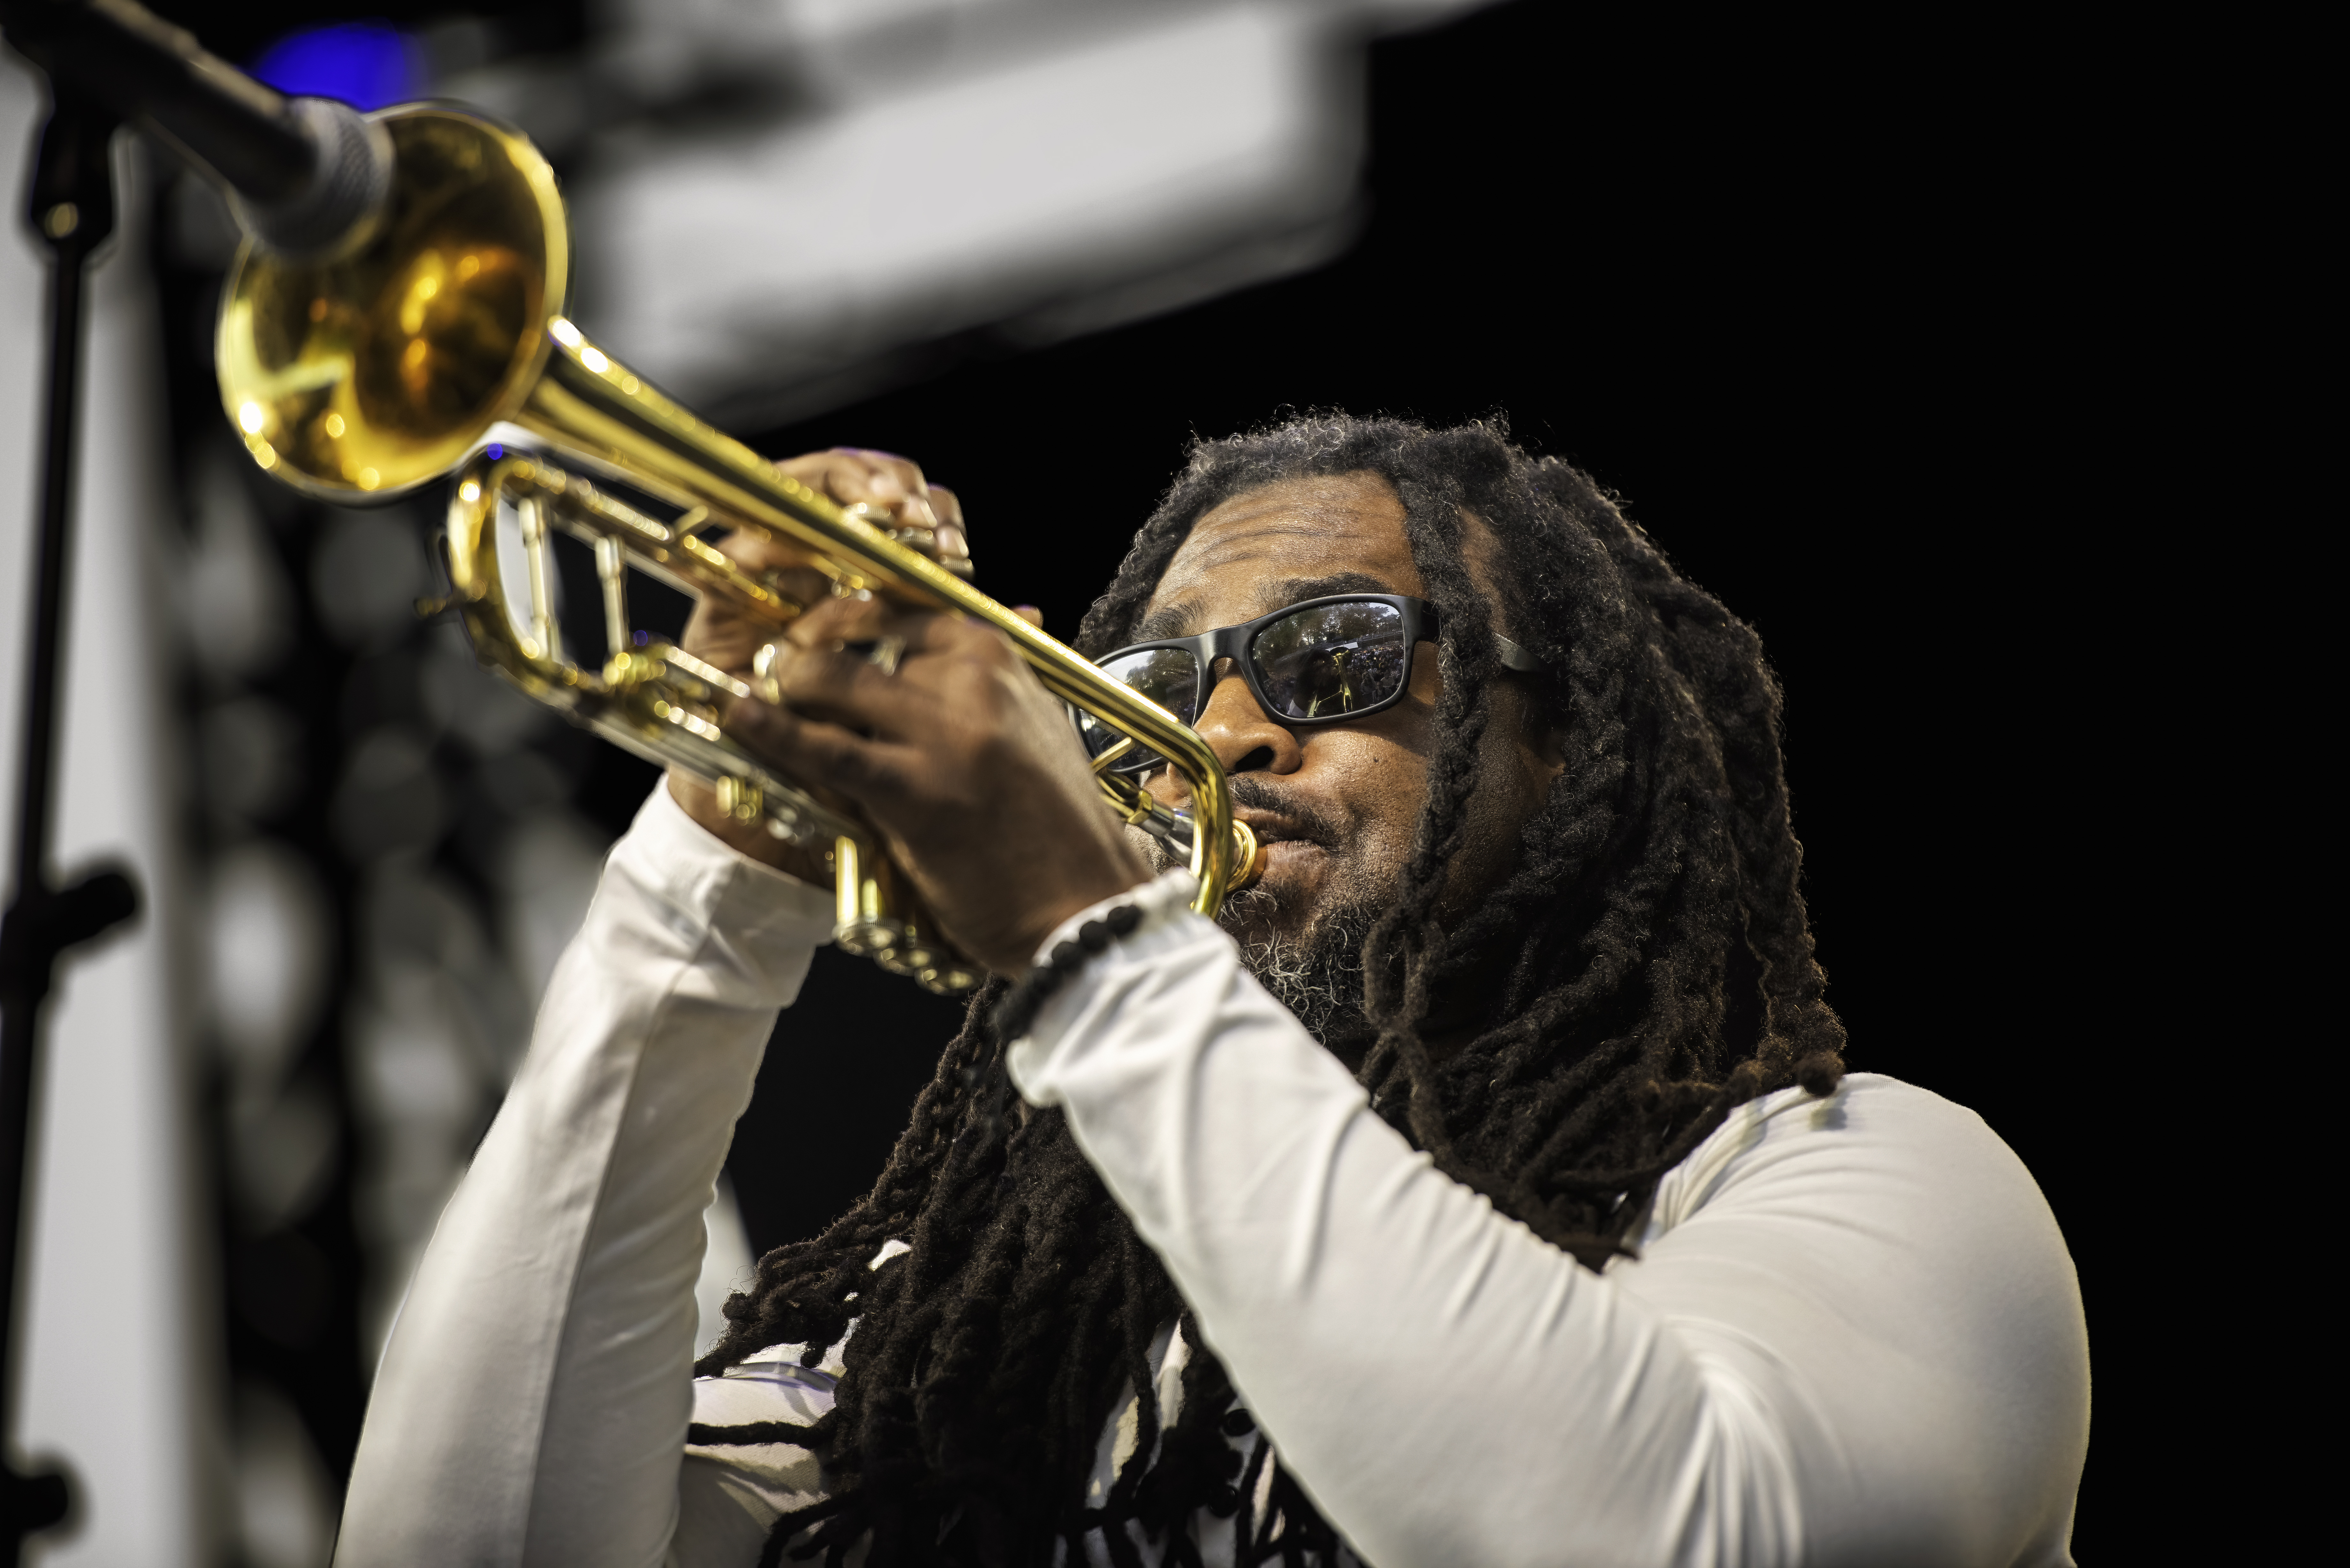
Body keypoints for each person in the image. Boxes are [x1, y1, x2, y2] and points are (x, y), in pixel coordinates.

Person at [333, 416, 2089, 1567]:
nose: (1226, 734)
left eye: (1339, 659)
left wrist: (1089, 941)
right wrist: (710, 874)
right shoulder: (960, 1360)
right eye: (1159, 679)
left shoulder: (1868, 1186)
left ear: (1573, 757)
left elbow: (1656, 1536)